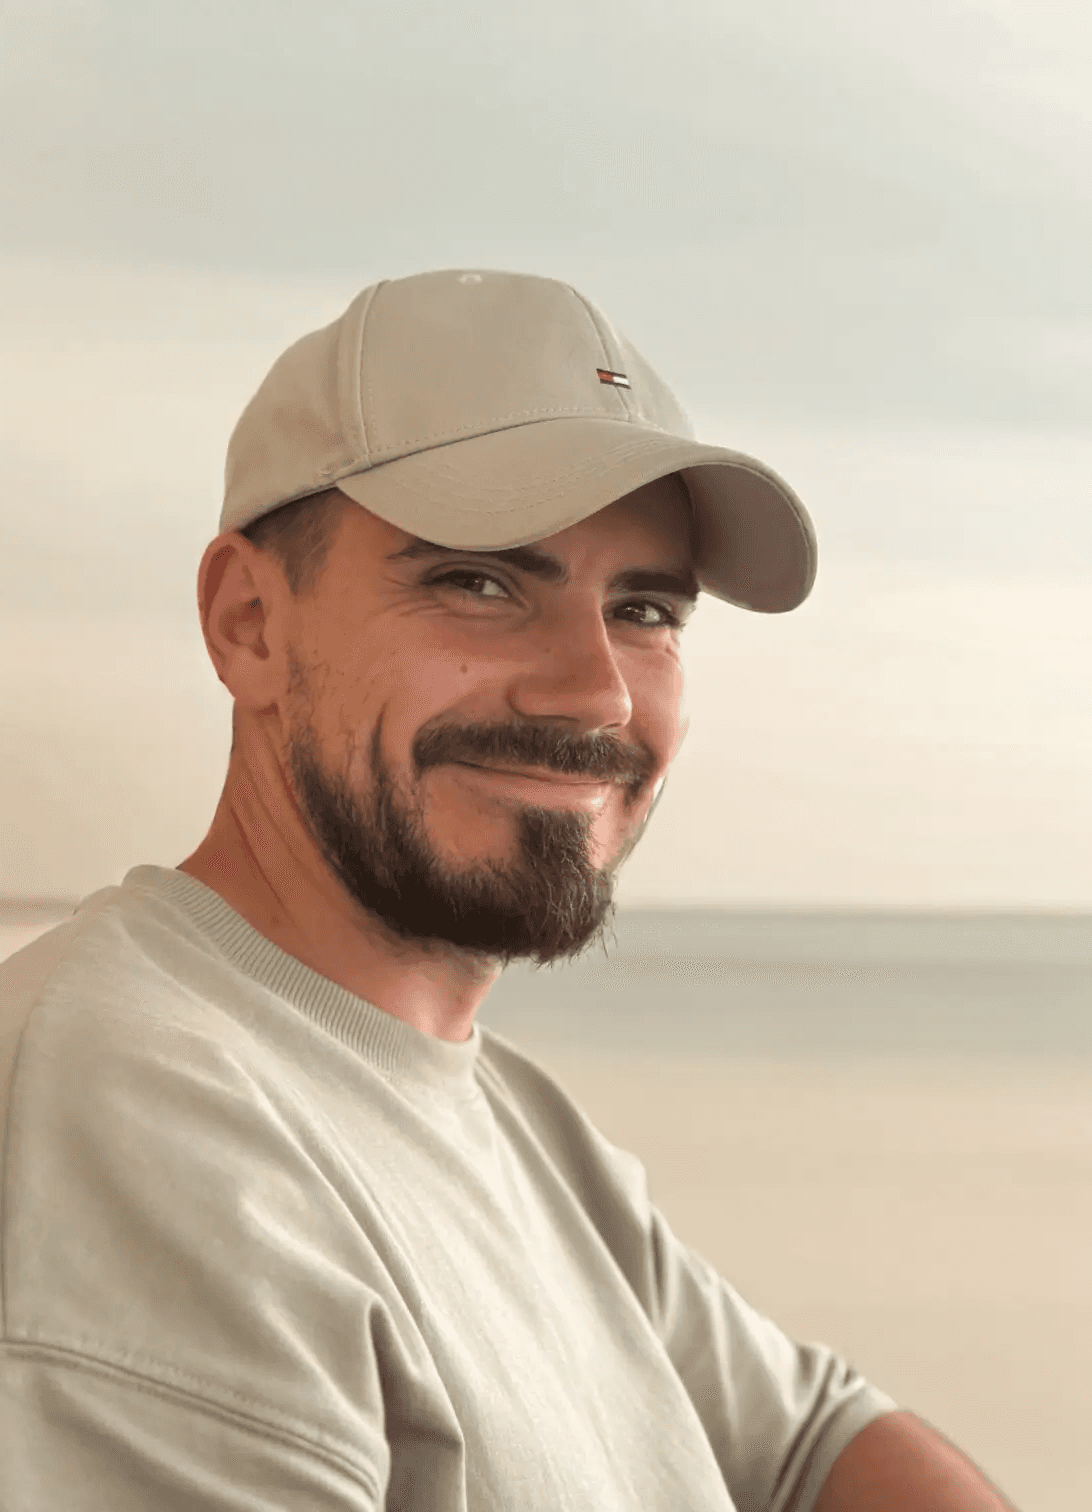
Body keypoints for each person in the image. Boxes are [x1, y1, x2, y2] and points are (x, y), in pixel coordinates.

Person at [0, 269, 1014, 1510]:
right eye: (479, 583)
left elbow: (812, 1445)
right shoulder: (133, 1120)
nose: (595, 692)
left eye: (644, 608)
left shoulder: (511, 1121)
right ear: (249, 623)